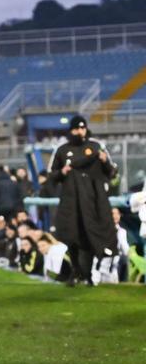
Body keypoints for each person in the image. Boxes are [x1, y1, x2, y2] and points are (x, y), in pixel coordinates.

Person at [48, 114, 119, 286]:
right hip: (71, 203)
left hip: (93, 202)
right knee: (72, 236)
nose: (80, 131)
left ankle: (88, 273)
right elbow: (52, 176)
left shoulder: (96, 147)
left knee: (92, 236)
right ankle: (76, 270)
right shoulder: (62, 150)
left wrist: (104, 161)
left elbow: (112, 172)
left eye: (82, 128)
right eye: (76, 128)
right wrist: (62, 172)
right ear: (71, 130)